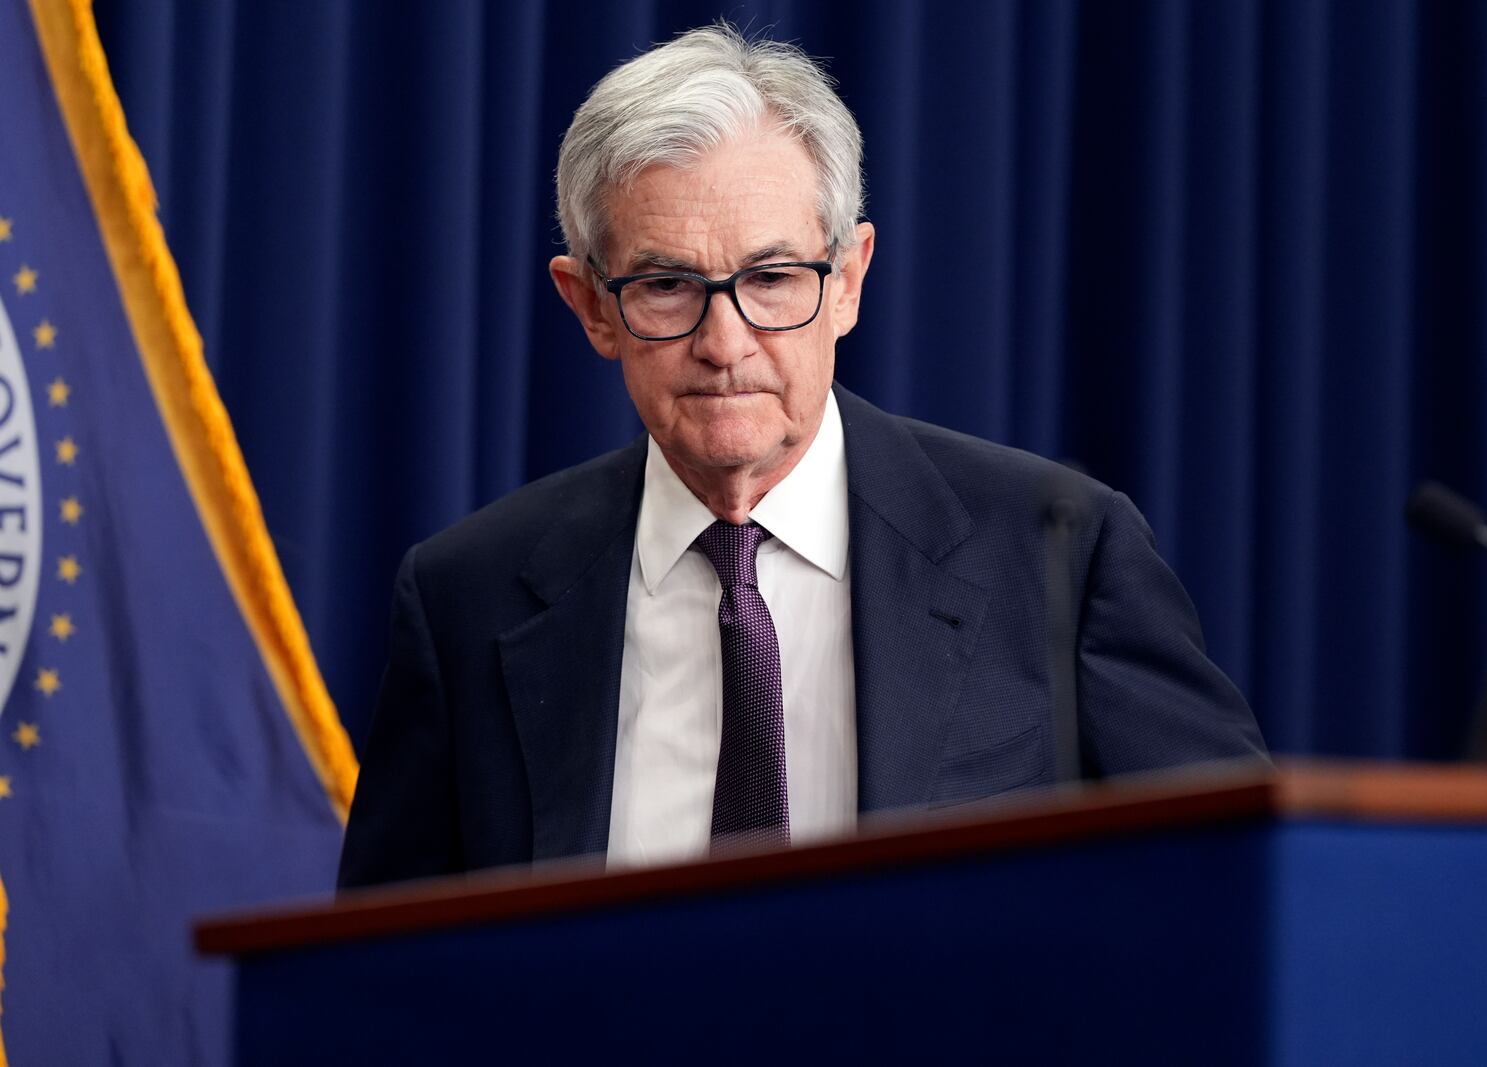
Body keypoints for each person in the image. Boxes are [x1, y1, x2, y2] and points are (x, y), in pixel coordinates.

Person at [337, 24, 1268, 889]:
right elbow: (380, 985)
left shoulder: (1059, 555)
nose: (726, 341)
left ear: (849, 281)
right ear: (590, 306)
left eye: (773, 278)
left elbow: (1235, 893)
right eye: (667, 286)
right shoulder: (470, 596)